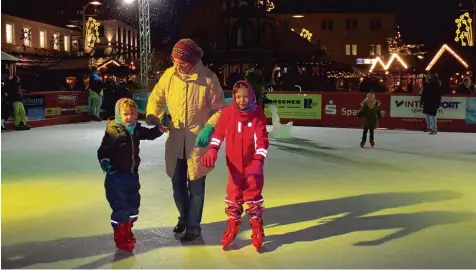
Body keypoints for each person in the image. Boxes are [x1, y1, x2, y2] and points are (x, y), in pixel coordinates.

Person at [145, 38, 226, 242]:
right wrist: (154, 116)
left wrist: (209, 127)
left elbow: (220, 110)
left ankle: (193, 227)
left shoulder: (208, 78)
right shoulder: (169, 75)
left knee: (196, 188)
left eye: (181, 62)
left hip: (198, 142)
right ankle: (184, 216)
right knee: (177, 185)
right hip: (175, 140)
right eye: (174, 61)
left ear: (192, 62)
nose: (177, 65)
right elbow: (156, 98)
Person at [200, 80, 269, 252]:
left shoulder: (257, 113)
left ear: (251, 96)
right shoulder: (229, 113)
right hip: (234, 168)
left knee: (253, 199)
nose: (242, 100)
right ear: (234, 96)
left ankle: (257, 228)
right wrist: (213, 150)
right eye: (238, 97)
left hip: (253, 167)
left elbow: (262, 140)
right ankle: (232, 227)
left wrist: (258, 161)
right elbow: (219, 133)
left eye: (245, 97)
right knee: (234, 197)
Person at [97, 98, 164, 252]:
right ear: (119, 115)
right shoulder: (113, 131)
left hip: (132, 175)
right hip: (116, 176)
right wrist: (105, 162)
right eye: (125, 114)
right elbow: (103, 150)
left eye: (132, 113)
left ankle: (127, 227)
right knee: (120, 206)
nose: (129, 117)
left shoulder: (136, 129)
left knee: (133, 205)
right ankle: (120, 235)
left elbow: (150, 134)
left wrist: (160, 127)